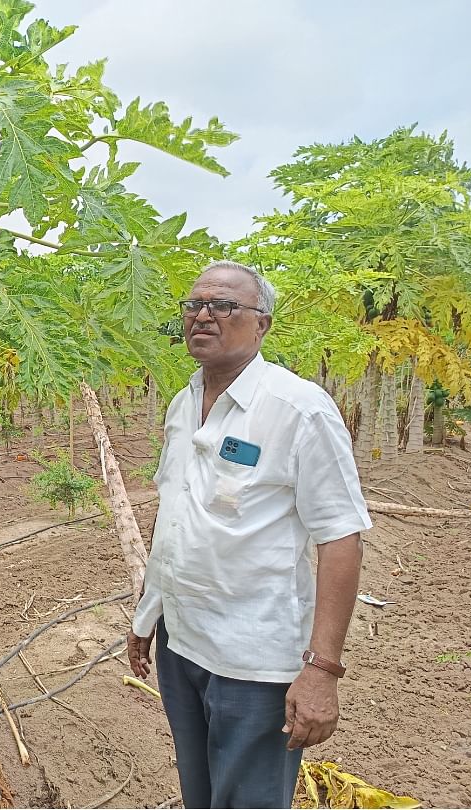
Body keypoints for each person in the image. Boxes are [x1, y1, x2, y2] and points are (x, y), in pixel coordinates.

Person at [127, 260, 370, 809]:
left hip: (254, 663)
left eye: (223, 306)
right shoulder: (183, 404)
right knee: (202, 794)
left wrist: (322, 670)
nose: (203, 316)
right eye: (194, 305)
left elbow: (341, 538)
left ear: (261, 325)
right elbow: (176, 517)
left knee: (249, 802)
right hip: (182, 644)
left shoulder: (298, 410)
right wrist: (148, 615)